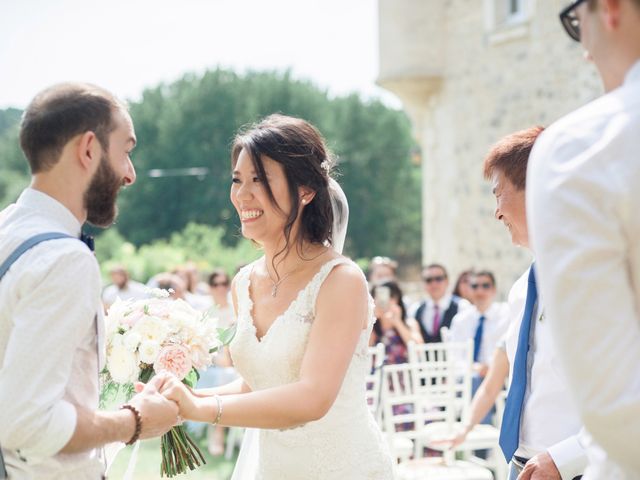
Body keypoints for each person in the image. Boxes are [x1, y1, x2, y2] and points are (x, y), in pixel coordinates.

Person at [151, 114, 394, 479]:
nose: (243, 194)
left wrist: (205, 410)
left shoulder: (341, 280)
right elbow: (260, 383)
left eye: (259, 180)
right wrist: (186, 398)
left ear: (305, 191)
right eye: (237, 180)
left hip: (343, 467)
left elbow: (313, 397)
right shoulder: (243, 283)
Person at [0, 83, 178, 479]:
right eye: (126, 151)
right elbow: (28, 423)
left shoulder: (8, 230)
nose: (129, 174)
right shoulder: (64, 259)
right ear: (88, 150)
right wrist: (133, 421)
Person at [527, 1, 640, 477]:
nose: (585, 54)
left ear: (609, 9)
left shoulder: (584, 148)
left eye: (577, 24)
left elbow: (616, 406)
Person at [480, 126, 588, 480]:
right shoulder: (520, 292)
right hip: (521, 468)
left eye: (499, 194)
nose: (497, 212)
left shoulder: (599, 281)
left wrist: (566, 458)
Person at [449, 270, 509, 419]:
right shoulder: (460, 320)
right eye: (475, 286)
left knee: (479, 380)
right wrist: (474, 368)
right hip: (467, 377)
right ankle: (479, 430)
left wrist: (491, 367)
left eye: (485, 286)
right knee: (474, 379)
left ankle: (475, 430)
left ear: (493, 289)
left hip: (499, 375)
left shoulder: (506, 315)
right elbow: (454, 356)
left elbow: (511, 349)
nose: (480, 291)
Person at [411, 263, 468, 343]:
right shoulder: (415, 309)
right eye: (429, 280)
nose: (434, 284)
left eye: (438, 279)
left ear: (447, 281)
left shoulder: (462, 307)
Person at [370, 281, 423, 365]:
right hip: (378, 376)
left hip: (405, 375)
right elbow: (365, 348)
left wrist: (398, 322)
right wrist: (372, 319)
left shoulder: (410, 323)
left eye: (391, 296)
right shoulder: (370, 325)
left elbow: (418, 350)